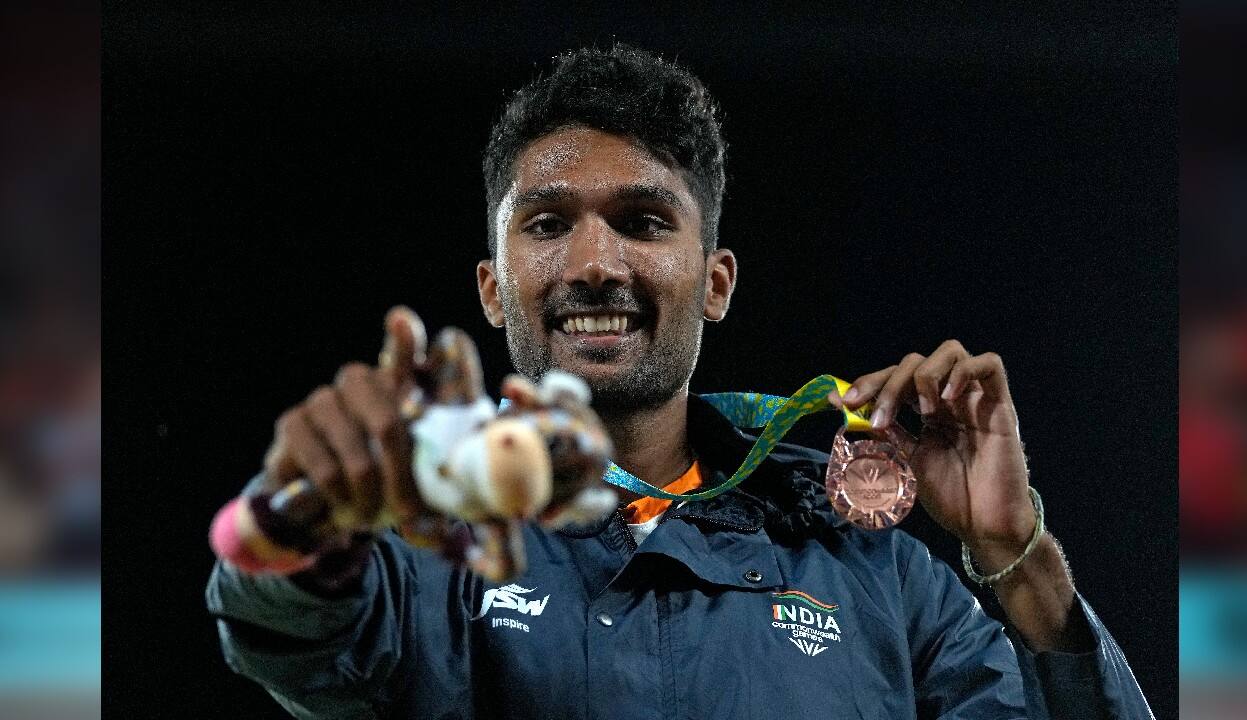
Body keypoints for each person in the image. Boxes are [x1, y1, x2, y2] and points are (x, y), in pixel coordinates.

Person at [206, 44, 1154, 719]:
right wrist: (310, 522)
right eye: (545, 225)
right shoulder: (423, 547)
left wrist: (1016, 555)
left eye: (643, 222)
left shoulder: (877, 575)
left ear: (715, 282)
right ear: (494, 292)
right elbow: (293, 638)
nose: (593, 263)